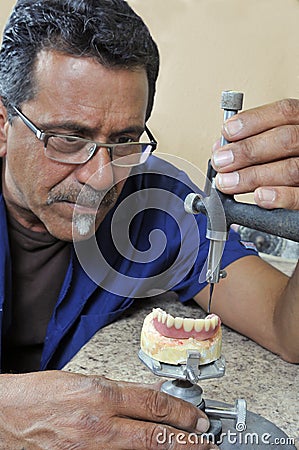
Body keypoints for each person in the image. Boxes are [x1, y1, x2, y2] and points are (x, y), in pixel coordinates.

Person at [0, 0, 298, 448]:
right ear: (3, 125)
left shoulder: (156, 201)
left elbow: (285, 329)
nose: (101, 178)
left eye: (123, 140)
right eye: (67, 137)